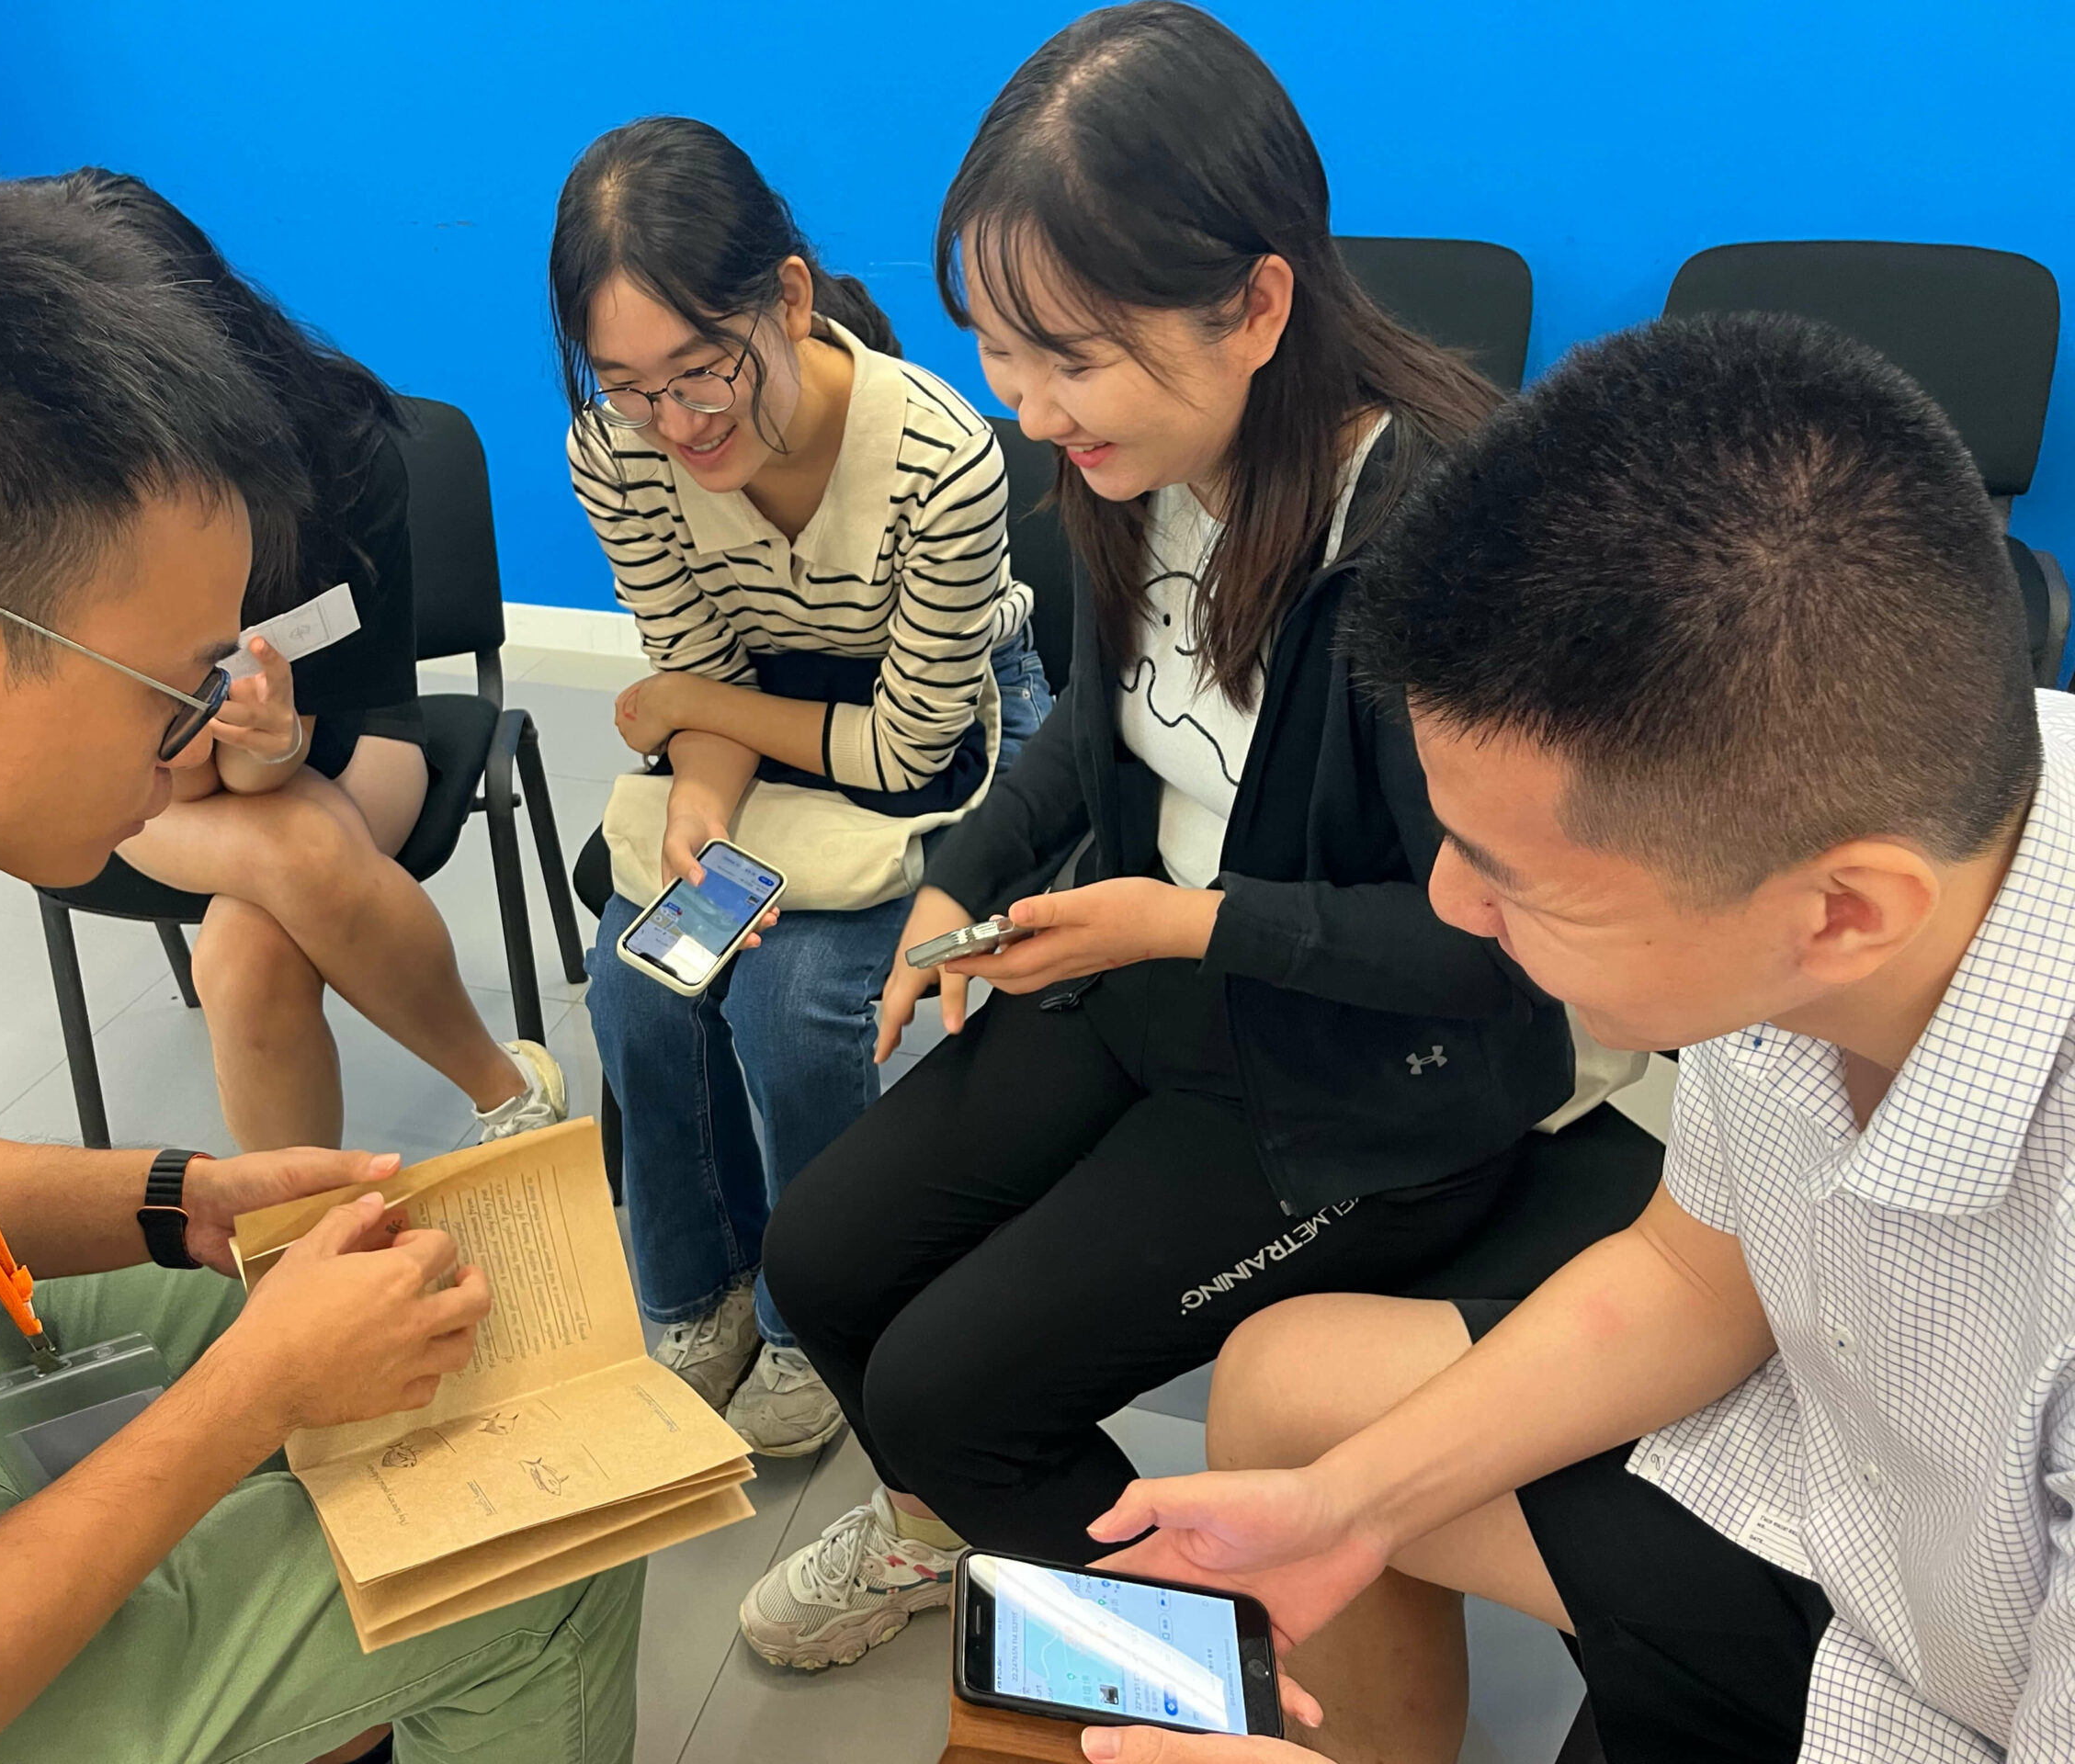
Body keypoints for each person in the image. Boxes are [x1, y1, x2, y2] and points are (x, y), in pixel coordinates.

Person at [0, 182, 638, 1764]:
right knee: (540, 1560)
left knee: (420, 1333)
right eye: (174, 684)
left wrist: (181, 1200)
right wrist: (246, 1405)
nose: (203, 736)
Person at [1089, 312, 2075, 1764]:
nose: (1446, 901)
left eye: (1516, 876)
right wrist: (1354, 1505)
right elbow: (1694, 1268)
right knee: (1297, 1398)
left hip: (1963, 1687)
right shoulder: (1848, 847)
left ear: (1843, 915)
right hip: (1831, 1502)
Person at [738, 1, 1577, 1673]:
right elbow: (1095, 734)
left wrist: (1182, 927)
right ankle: (954, 1518)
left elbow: (1498, 954)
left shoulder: (1442, 544)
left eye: (1073, 354)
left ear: (1260, 301)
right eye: (1001, 348)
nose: (1029, 408)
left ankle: (1207, 1685)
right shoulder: (1137, 465)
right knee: (820, 1259)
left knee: (952, 1394)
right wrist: (958, 881)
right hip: (1161, 989)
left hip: (1367, 1090)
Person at [553, 117, 1051, 1457]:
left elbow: (908, 751)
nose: (677, 424)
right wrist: (701, 791)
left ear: (785, 295)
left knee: (793, 1005)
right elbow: (696, 657)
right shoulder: (616, 455)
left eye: (701, 371)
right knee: (636, 979)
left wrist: (691, 716)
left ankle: (817, 1312)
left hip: (949, 720)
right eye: (628, 386)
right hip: (766, 713)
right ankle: (696, 1285)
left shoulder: (939, 458)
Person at [59, 169, 565, 1153]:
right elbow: (154, 760)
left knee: (247, 953)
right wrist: (213, 749)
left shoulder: (338, 451)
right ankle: (512, 1096)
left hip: (347, 728)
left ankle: (299, 1243)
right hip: (146, 778)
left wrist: (274, 741)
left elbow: (320, 721)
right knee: (275, 874)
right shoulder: (61, 495)